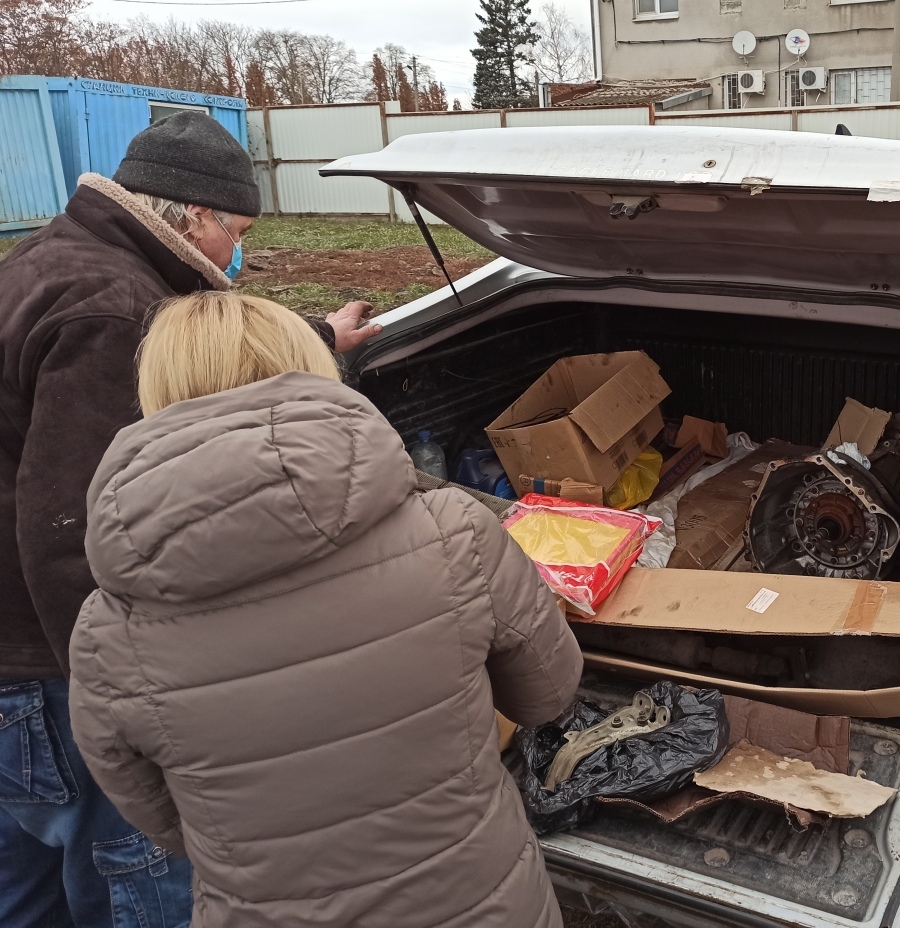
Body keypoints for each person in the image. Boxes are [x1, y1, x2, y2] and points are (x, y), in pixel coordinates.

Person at [68, 291, 582, 927]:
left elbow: (163, 818)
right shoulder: (454, 532)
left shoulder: (106, 632)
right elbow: (548, 695)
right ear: (308, 363)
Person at [0, 112, 381, 927]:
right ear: (194, 214)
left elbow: (201, 359)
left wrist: (318, 336)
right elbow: (73, 531)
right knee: (138, 880)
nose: (235, 253)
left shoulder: (58, 257)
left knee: (26, 888)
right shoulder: (113, 311)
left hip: (14, 670)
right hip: (51, 674)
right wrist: (127, 702)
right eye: (236, 231)